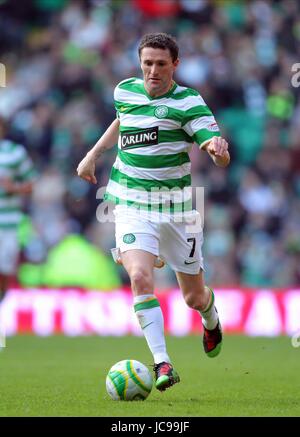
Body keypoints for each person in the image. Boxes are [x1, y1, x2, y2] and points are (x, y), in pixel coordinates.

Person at [77, 33, 230, 392]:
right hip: (131, 204)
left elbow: (211, 142)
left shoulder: (188, 101)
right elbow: (122, 120)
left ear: (175, 65)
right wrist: (92, 154)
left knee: (193, 296)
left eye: (161, 64)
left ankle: (210, 318)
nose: (153, 70)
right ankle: (163, 362)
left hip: (177, 212)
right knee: (140, 277)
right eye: (147, 63)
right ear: (139, 62)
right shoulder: (125, 91)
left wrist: (217, 150)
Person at [0, 116, 36, 303]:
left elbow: (31, 183)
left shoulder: (15, 153)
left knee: (5, 270)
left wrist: (13, 188)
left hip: (9, 223)